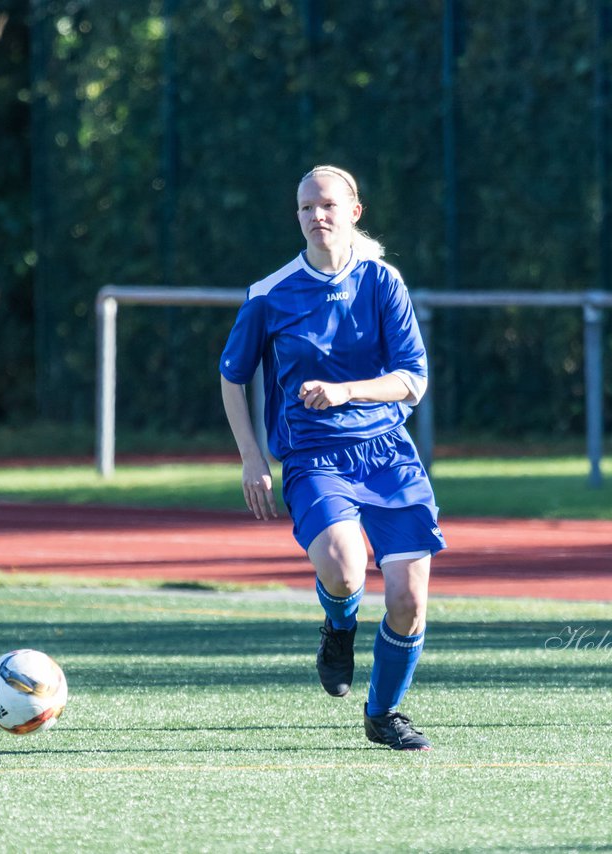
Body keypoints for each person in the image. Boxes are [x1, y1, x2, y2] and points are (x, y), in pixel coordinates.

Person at [219, 165, 446, 749]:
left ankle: (384, 713)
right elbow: (232, 377)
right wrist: (251, 458)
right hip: (314, 458)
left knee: (407, 599)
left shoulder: (382, 282)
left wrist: (349, 391)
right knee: (344, 569)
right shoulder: (270, 294)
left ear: (354, 212)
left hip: (390, 455)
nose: (316, 216)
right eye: (304, 208)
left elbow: (412, 381)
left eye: (326, 205)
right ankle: (339, 625)